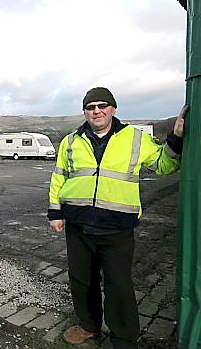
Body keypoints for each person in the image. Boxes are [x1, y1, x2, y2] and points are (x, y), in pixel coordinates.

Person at [47, 87, 188, 349]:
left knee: (118, 286)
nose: (96, 111)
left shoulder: (134, 138)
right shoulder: (70, 141)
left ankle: (123, 338)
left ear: (113, 108)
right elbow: (59, 177)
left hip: (117, 228)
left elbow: (164, 165)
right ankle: (88, 326)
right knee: (81, 280)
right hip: (78, 226)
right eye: (90, 107)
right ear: (85, 112)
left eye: (102, 105)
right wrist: (55, 212)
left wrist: (176, 137)